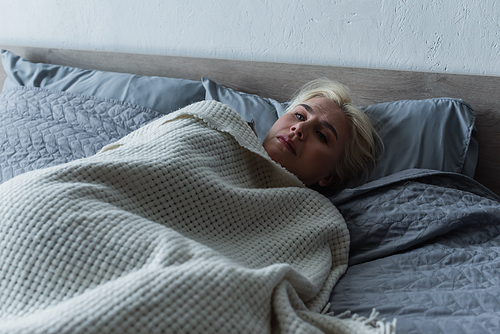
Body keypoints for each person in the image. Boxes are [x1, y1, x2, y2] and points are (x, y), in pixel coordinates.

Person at [263, 78, 380, 191]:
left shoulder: (317, 210)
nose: (299, 127)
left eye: (321, 135)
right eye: (299, 116)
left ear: (329, 177)